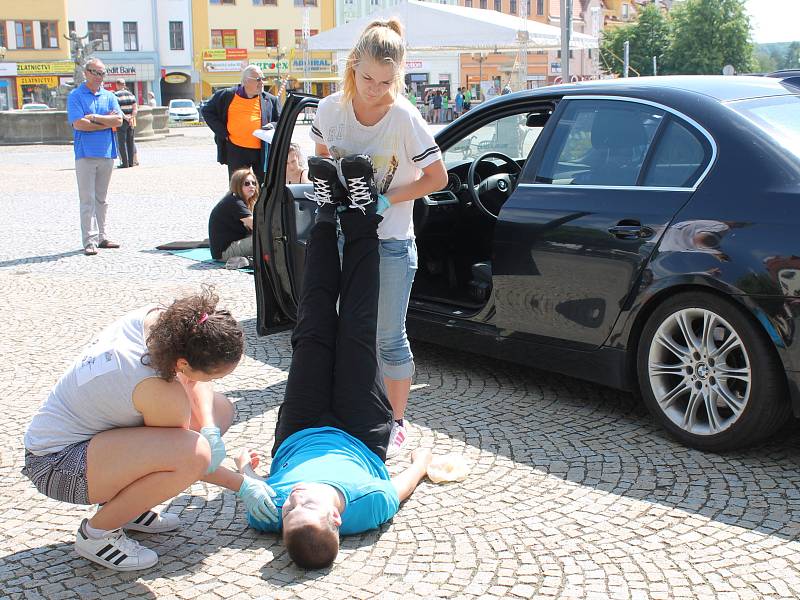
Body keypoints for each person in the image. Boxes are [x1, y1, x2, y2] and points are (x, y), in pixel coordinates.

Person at [237, 182, 433, 569]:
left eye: (287, 509)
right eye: (303, 504)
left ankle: (324, 214)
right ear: (336, 519)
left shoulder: (268, 511)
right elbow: (401, 487)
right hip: (359, 433)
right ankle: (362, 217)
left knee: (312, 327)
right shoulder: (369, 505)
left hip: (299, 429)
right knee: (357, 329)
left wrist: (245, 470)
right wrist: (421, 463)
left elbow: (251, 487)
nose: (293, 498)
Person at [21, 289, 278, 571]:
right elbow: (188, 457)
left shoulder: (162, 323)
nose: (216, 381)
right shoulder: (155, 388)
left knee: (220, 410)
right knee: (192, 453)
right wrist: (242, 484)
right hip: (56, 465)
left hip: (89, 441)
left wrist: (208, 427)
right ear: (184, 363)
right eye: (215, 375)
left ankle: (128, 507)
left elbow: (195, 384)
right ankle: (96, 534)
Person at [309, 18, 448, 458]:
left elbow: (437, 177)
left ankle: (398, 422)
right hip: (340, 236)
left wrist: (386, 200)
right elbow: (321, 156)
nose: (374, 88)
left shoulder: (404, 117)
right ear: (352, 66)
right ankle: (352, 411)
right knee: (342, 330)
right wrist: (326, 188)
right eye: (367, 77)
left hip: (389, 241)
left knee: (387, 336)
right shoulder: (331, 107)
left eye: (386, 81)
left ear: (398, 76)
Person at [67, 57, 123, 256]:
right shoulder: (76, 95)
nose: (100, 77)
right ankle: (89, 240)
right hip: (85, 153)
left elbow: (119, 119)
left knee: (102, 198)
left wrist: (95, 118)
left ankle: (102, 236)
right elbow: (78, 124)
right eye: (97, 73)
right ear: (87, 73)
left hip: (107, 152)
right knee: (87, 198)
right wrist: (105, 123)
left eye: (103, 73)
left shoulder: (109, 95)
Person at [202, 64, 281, 185]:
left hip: (262, 151)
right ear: (245, 81)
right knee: (238, 187)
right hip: (236, 149)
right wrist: (223, 133)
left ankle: (259, 205)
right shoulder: (227, 95)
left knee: (263, 186)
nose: (262, 83)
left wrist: (272, 125)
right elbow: (207, 111)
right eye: (258, 79)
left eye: (263, 79)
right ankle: (240, 205)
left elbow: (280, 120)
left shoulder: (270, 100)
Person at [208, 168, 259, 262]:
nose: (251, 186)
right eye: (247, 183)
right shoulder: (235, 202)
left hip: (227, 247)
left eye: (254, 183)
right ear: (238, 185)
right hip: (224, 253)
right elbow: (257, 226)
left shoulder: (235, 199)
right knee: (264, 239)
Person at [114, 79, 137, 169]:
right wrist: (131, 117)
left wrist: (125, 117)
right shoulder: (131, 95)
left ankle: (125, 163)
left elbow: (118, 109)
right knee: (130, 142)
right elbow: (135, 108)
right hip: (131, 121)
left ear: (117, 85)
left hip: (122, 121)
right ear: (124, 84)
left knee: (122, 142)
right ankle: (131, 162)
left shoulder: (116, 95)